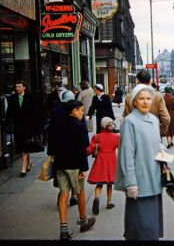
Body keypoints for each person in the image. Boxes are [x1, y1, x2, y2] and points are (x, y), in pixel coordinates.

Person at [114, 84, 166, 240]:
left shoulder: (154, 120)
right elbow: (126, 155)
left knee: (151, 228)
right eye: (141, 99)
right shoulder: (130, 122)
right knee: (139, 228)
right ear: (134, 102)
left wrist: (164, 156)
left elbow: (157, 144)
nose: (145, 102)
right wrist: (130, 183)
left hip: (154, 177)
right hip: (140, 182)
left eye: (148, 98)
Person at [50, 100, 95, 240]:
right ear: (74, 111)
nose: (83, 112)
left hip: (60, 164)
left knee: (63, 194)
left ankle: (63, 229)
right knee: (80, 192)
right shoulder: (79, 126)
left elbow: (51, 148)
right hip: (75, 165)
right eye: (81, 110)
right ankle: (83, 221)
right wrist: (83, 168)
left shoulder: (56, 125)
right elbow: (84, 147)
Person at [47, 89, 79, 207]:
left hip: (60, 149)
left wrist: (51, 150)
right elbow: (82, 132)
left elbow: (51, 132)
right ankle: (73, 197)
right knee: (75, 175)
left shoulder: (55, 112)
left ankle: (63, 194)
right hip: (74, 149)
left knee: (62, 175)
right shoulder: (76, 111)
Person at [5, 81, 40, 177]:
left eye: (19, 86)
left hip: (29, 126)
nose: (17, 88)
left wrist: (36, 128)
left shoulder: (31, 98)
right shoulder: (13, 99)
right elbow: (9, 112)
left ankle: (23, 166)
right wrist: (8, 123)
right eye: (16, 87)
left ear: (24, 87)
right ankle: (29, 162)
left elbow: (36, 113)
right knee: (23, 145)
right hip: (18, 126)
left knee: (25, 146)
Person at [86, 117, 120, 215]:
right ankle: (109, 201)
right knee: (109, 183)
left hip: (100, 161)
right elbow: (121, 148)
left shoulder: (97, 137)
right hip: (111, 160)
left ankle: (97, 197)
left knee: (99, 183)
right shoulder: (116, 137)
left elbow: (90, 149)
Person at [122, 69, 170, 136]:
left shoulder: (129, 97)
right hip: (154, 134)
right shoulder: (158, 96)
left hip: (136, 135)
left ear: (137, 81)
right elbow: (166, 118)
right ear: (150, 81)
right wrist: (160, 132)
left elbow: (126, 119)